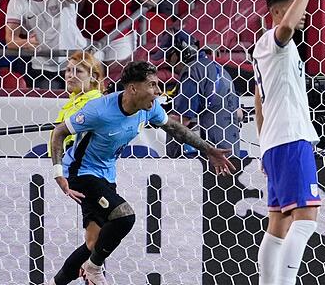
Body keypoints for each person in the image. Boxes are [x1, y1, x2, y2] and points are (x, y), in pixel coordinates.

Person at [47, 61, 235, 285]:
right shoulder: (99, 110)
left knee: (92, 244)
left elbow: (175, 128)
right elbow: (59, 132)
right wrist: (58, 172)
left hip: (106, 174)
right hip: (80, 172)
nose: (158, 91)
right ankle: (94, 268)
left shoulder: (150, 109)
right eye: (152, 85)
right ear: (133, 88)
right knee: (124, 216)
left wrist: (208, 149)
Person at [253, 0, 325, 285]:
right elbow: (285, 27)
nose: (303, 13)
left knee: (279, 222)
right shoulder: (275, 42)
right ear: (276, 12)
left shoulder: (265, 50)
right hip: (291, 138)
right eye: (295, 4)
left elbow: (259, 102)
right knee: (306, 218)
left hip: (275, 141)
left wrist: (263, 146)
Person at [5, 0, 89, 89]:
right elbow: (10, 40)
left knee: (80, 106)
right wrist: (26, 43)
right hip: (43, 66)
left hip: (75, 60)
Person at [155, 29, 241, 158]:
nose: (167, 63)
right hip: (231, 153)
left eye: (168, 57)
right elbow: (238, 113)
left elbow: (181, 120)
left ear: (178, 53)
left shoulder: (192, 71)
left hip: (208, 157)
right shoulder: (221, 70)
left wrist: (154, 115)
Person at [47, 51, 105, 157]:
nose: (71, 75)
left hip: (76, 164)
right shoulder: (72, 102)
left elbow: (77, 144)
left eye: (78, 71)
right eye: (68, 70)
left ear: (93, 77)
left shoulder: (95, 103)